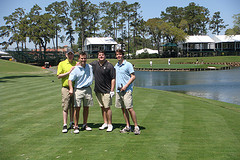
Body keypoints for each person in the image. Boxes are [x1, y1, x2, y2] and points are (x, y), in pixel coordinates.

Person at [114, 49, 141, 135]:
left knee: (129, 108)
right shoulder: (116, 66)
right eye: (117, 54)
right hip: (119, 90)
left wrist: (125, 86)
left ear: (123, 55)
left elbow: (133, 77)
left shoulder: (128, 65)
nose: (118, 56)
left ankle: (136, 127)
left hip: (127, 90)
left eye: (120, 54)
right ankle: (128, 126)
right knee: (123, 109)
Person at [90, 51, 116, 132]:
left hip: (107, 90)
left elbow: (113, 79)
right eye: (99, 55)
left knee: (107, 107)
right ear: (98, 56)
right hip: (98, 90)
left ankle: (110, 124)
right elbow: (85, 64)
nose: (101, 56)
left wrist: (112, 90)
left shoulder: (109, 66)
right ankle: (105, 123)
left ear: (105, 56)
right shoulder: (94, 64)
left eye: (102, 55)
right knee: (102, 107)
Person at [68, 52, 93, 134]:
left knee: (86, 107)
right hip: (78, 90)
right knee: (77, 108)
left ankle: (85, 124)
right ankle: (76, 126)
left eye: (85, 58)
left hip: (88, 89)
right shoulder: (76, 69)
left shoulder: (89, 67)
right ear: (79, 59)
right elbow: (70, 80)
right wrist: (71, 89)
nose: (83, 60)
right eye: (82, 58)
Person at [57, 49, 76, 133]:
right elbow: (59, 75)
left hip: (75, 87)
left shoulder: (76, 63)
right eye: (69, 54)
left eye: (71, 54)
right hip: (65, 87)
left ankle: (72, 122)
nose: (70, 56)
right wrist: (69, 72)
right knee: (66, 106)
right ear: (66, 55)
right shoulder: (62, 64)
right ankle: (65, 124)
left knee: (73, 106)